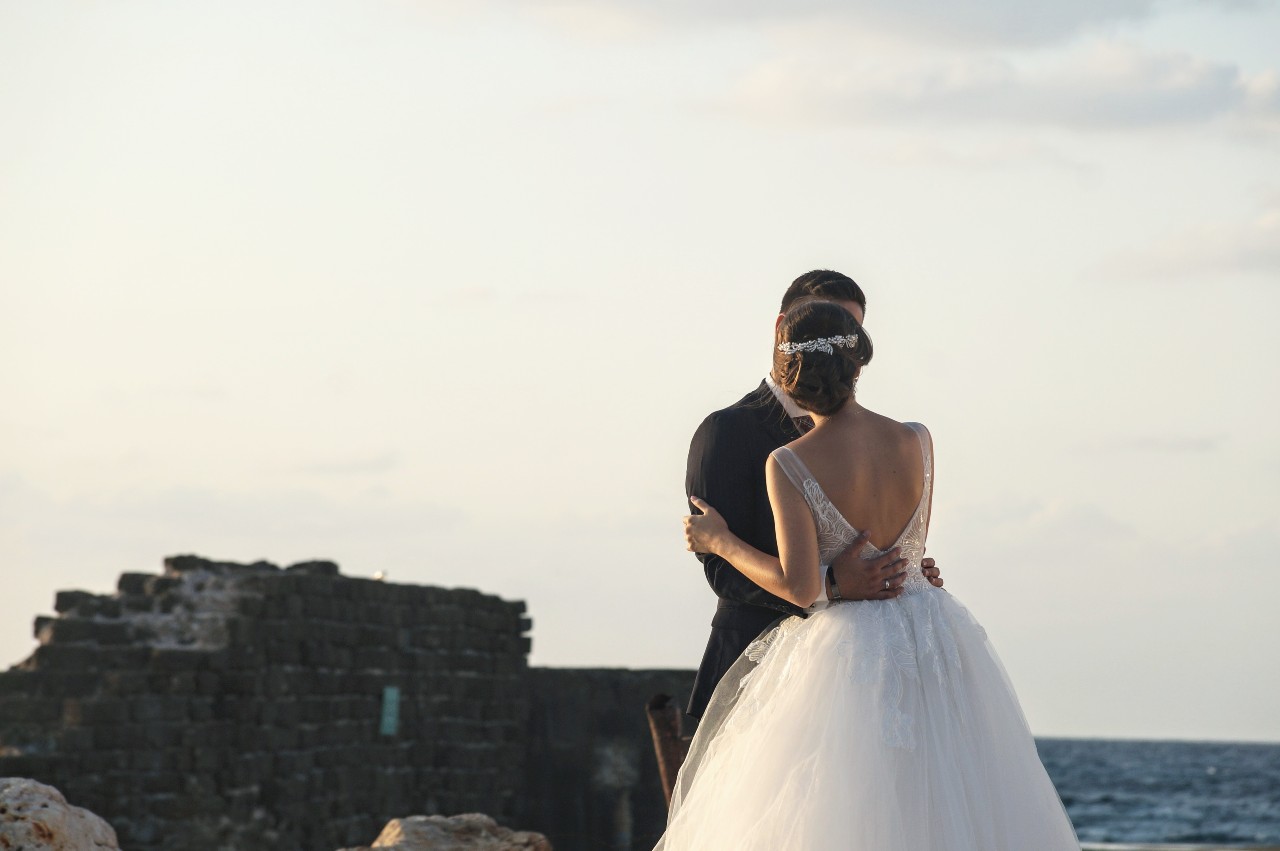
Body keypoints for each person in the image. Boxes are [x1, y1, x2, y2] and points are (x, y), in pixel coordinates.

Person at [656, 300, 1079, 850]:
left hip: (851, 650)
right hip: (933, 636)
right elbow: (912, 550)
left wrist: (722, 541)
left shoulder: (788, 462)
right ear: (859, 366)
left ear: (790, 375)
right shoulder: (918, 439)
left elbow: (802, 588)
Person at [683, 269, 942, 720]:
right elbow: (720, 572)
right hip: (755, 672)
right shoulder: (726, 431)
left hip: (873, 667)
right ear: (784, 327)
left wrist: (903, 570)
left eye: (849, 331)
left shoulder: (886, 439)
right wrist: (836, 586)